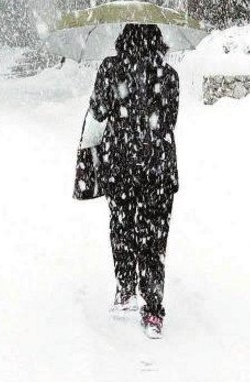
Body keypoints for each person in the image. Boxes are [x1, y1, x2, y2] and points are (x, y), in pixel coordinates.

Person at [89, 24, 179, 339]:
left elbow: (99, 111)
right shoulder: (168, 75)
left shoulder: (110, 69)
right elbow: (169, 120)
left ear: (121, 40)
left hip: (119, 164)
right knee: (154, 239)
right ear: (159, 42)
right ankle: (153, 310)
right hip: (158, 167)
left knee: (122, 225)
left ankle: (126, 288)